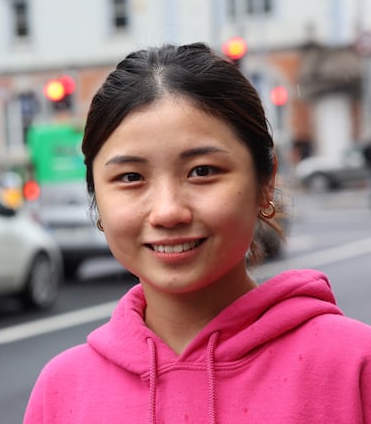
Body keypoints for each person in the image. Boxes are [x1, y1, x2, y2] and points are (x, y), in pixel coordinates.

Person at [23, 43, 371, 423]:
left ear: (266, 183)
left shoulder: (354, 367)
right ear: (97, 198)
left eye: (202, 171)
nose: (168, 211)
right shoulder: (62, 390)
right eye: (130, 178)